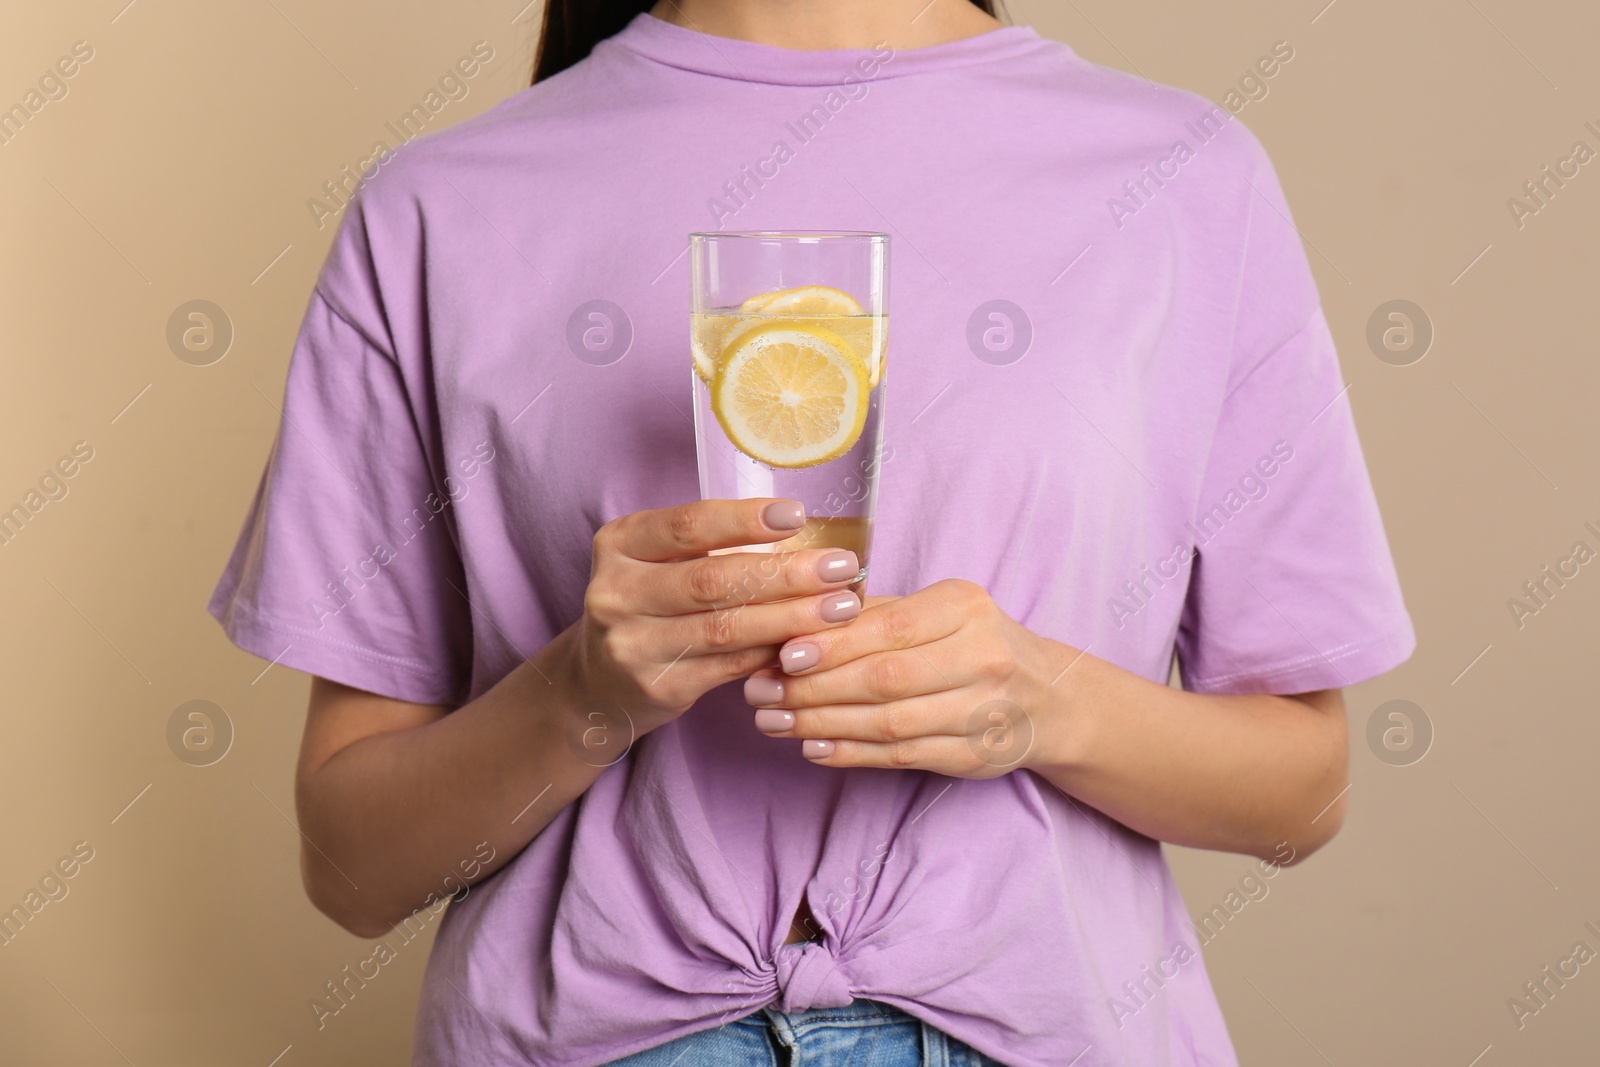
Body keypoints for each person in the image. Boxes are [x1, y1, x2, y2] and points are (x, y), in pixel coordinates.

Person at [207, 1, 1416, 1064]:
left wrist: (1041, 698)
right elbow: (353, 869)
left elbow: (1301, 795)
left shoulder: (1183, 177)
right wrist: (584, 690)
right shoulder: (438, 209)